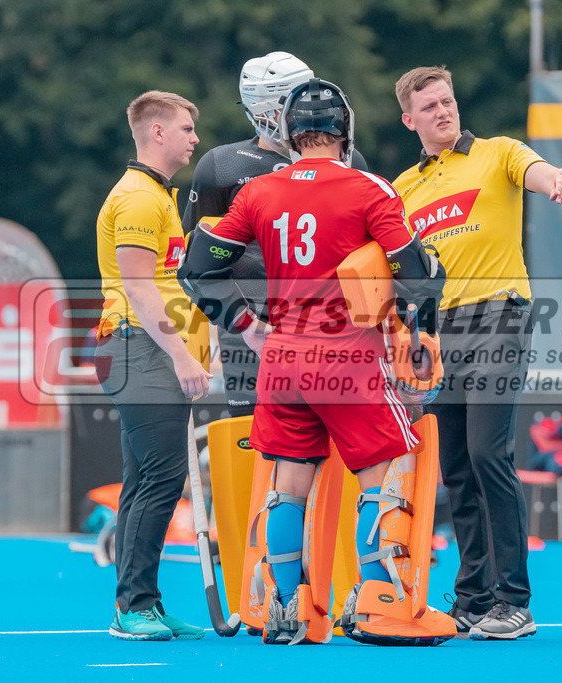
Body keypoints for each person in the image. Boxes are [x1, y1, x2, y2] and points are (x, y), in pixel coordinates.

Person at [181, 78, 453, 646]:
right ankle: (379, 603)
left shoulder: (257, 193)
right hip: (350, 355)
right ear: (344, 131)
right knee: (383, 477)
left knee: (289, 484)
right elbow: (417, 274)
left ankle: (287, 606)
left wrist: (246, 326)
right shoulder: (369, 188)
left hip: (282, 356)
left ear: (288, 132)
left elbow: (198, 269)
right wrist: (422, 330)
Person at [392, 66, 562, 640]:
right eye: (430, 107)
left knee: (487, 453)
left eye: (447, 100)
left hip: (499, 317)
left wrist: (559, 179)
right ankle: (473, 598)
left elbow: (539, 171)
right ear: (409, 120)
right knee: (455, 467)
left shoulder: (498, 152)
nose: (444, 111)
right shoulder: (403, 188)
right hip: (438, 333)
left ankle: (514, 601)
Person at [184, 51, 370, 627]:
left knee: (330, 461)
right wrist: (240, 324)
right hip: (258, 334)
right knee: (265, 457)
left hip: (327, 335)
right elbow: (198, 259)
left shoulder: (348, 162)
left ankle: (332, 582)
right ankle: (264, 587)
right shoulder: (222, 166)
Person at [94, 90, 211, 641]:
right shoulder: (140, 198)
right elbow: (139, 289)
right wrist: (183, 356)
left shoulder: (157, 195)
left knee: (144, 478)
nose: (195, 138)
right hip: (137, 346)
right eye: (187, 128)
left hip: (140, 347)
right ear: (157, 131)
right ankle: (133, 607)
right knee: (163, 477)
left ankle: (142, 602)